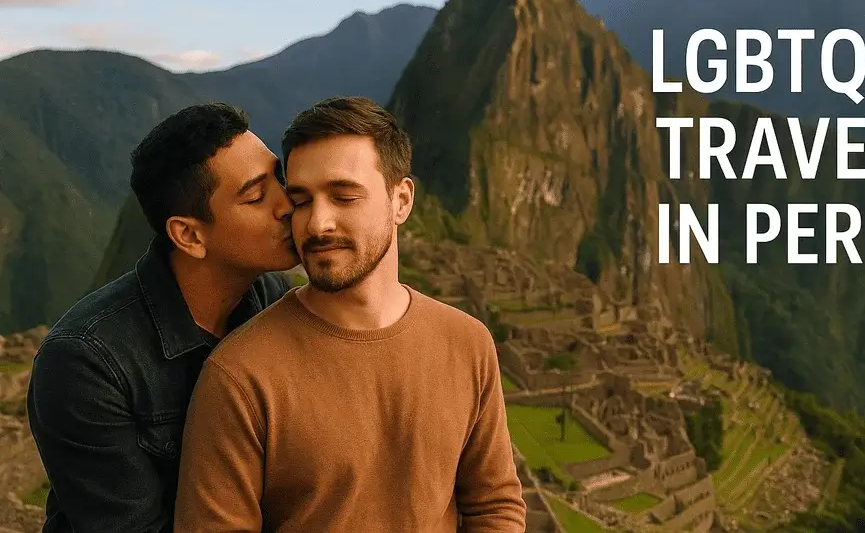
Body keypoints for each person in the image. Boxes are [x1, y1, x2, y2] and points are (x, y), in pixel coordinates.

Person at [173, 96, 527, 532]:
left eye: (343, 196)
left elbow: (494, 505)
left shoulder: (467, 344)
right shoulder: (241, 376)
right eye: (301, 200)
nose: (317, 223)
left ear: (401, 201)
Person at [27, 103, 300, 533]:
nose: (287, 205)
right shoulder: (86, 362)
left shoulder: (276, 304)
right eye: (255, 196)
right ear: (189, 235)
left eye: (279, 179)